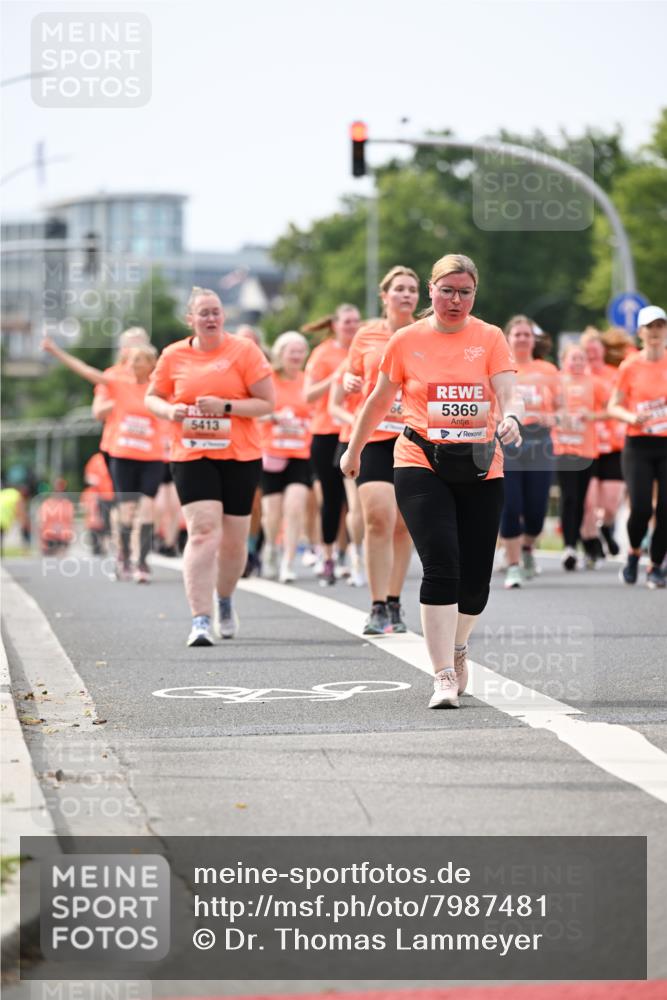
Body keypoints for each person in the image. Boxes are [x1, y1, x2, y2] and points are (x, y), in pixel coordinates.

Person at [341, 253, 521, 709]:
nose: (455, 300)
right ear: (431, 292)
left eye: (465, 292)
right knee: (441, 562)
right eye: (447, 290)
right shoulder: (405, 340)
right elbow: (380, 399)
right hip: (419, 456)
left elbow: (506, 388)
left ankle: (459, 647)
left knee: (475, 579)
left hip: (481, 463)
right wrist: (355, 448)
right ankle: (442, 674)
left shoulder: (489, 337)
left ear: (474, 294)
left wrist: (513, 415)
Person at [146, 286, 274, 645]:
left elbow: (267, 403)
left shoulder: (244, 351)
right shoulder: (173, 356)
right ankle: (200, 619)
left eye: (216, 311)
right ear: (191, 319)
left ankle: (225, 599)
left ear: (224, 316)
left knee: (233, 543)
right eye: (203, 312)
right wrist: (170, 410)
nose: (211, 318)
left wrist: (226, 407)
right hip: (191, 452)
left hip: (240, 454)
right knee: (203, 532)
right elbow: (152, 397)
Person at [41, 338, 166, 582]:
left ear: (151, 364)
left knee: (148, 507)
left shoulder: (159, 386)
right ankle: (126, 558)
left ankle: (142, 562)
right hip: (123, 455)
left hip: (152, 456)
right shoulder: (119, 381)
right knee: (127, 508)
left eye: (137, 361)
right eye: (128, 360)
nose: (130, 365)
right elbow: (86, 371)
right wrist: (56, 352)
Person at [343, 266, 419, 634]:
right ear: (384, 295)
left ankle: (393, 601)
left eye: (412, 290)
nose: (406, 295)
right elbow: (351, 372)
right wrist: (348, 379)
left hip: (414, 436)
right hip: (374, 436)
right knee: (378, 517)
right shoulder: (366, 334)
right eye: (399, 289)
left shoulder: (426, 333)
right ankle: (375, 605)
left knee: (404, 524)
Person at [608, 305, 667, 589]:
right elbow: (613, 406)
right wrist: (632, 417)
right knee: (642, 507)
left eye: (660, 326)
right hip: (638, 445)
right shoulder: (630, 366)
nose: (655, 332)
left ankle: (656, 565)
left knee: (666, 508)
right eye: (650, 327)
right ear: (641, 332)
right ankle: (633, 553)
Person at [303, 305, 361, 585]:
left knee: (355, 502)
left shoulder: (363, 349)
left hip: (356, 433)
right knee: (331, 498)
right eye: (347, 321)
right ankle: (327, 556)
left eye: (355, 321)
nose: (352, 326)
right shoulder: (323, 353)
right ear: (335, 325)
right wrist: (335, 376)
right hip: (326, 432)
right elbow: (308, 395)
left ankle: (350, 556)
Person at [498, 315, 558, 588]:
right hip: (507, 439)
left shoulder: (547, 370)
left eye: (526, 334)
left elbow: (564, 407)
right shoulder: (499, 368)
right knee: (510, 505)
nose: (522, 338)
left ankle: (527, 548)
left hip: (539, 441)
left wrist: (554, 418)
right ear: (508, 338)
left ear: (534, 339)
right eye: (517, 334)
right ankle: (512, 566)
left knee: (536, 510)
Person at [260, 331, 313, 583]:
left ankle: (288, 562)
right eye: (292, 351)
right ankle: (271, 547)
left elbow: (317, 412)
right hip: (271, 453)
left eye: (301, 351)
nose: (296, 356)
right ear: (280, 353)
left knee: (294, 507)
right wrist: (273, 417)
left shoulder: (307, 381)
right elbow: (254, 413)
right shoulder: (268, 379)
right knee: (272, 512)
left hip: (300, 453)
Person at [552, 342, 608, 571]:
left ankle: (581, 544)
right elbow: (545, 408)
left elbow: (610, 408)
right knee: (569, 497)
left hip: (587, 450)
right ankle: (569, 547)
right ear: (564, 361)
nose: (577, 363)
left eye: (581, 359)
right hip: (564, 448)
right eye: (572, 359)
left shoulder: (595, 384)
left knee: (583, 501)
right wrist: (559, 415)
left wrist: (591, 414)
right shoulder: (556, 382)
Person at [579, 329, 626, 563]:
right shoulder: (575, 377)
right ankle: (590, 544)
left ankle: (606, 527)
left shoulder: (615, 374)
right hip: (585, 447)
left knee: (611, 502)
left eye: (596, 350)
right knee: (589, 503)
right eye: (588, 351)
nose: (592, 355)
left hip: (613, 445)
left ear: (603, 352)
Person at [329, 359, 365, 587]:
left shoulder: (405, 353)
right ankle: (356, 558)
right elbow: (333, 405)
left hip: (393, 440)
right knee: (356, 506)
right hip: (353, 441)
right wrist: (358, 421)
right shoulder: (350, 364)